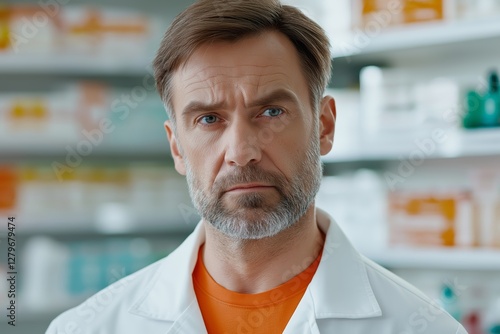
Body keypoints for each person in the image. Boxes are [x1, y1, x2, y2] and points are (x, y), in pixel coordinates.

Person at [47, 0, 468, 333]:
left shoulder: (423, 326)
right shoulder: (88, 327)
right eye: (208, 119)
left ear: (323, 126)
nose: (242, 151)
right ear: (176, 147)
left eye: (270, 112)